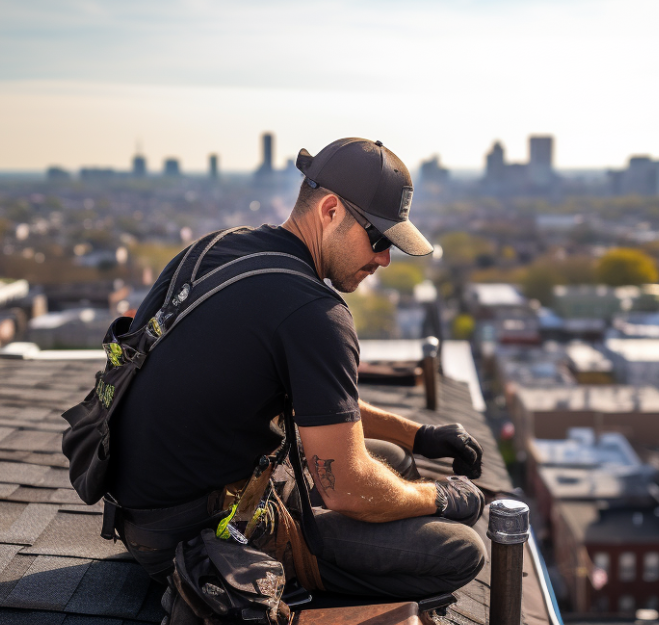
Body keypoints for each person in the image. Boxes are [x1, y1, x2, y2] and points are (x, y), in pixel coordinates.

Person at [105, 137, 487, 600]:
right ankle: (291, 593)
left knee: (397, 460)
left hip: (141, 515)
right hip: (200, 539)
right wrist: (441, 497)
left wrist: (420, 436)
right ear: (330, 211)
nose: (385, 259)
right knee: (461, 549)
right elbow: (346, 490)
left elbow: (326, 405)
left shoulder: (216, 250)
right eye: (379, 239)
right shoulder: (314, 312)